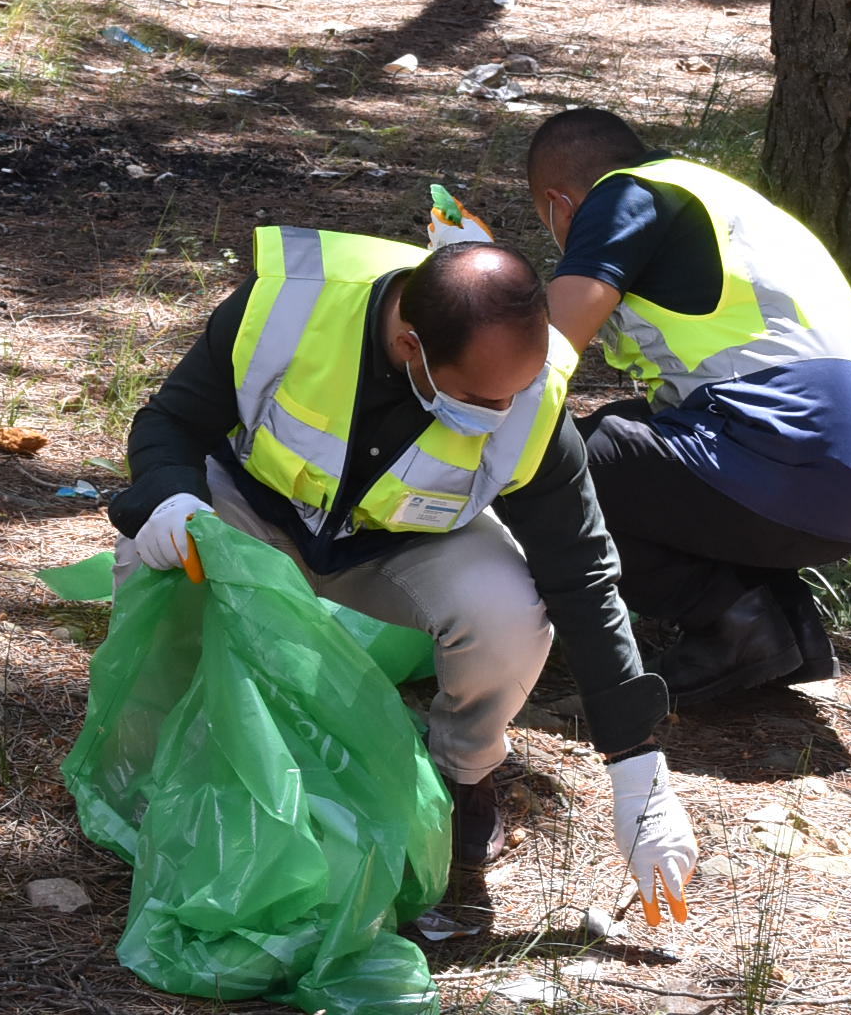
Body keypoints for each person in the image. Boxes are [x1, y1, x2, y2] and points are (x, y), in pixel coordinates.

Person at [111, 232, 700, 922]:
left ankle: (456, 781)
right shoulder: (288, 308)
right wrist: (170, 497)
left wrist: (636, 766)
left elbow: (582, 571)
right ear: (411, 348)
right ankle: (157, 767)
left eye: (514, 392)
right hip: (254, 515)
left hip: (401, 545)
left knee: (507, 614)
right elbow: (170, 422)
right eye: (481, 398)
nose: (502, 412)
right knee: (146, 554)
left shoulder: (529, 396)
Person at [521, 108, 851, 705]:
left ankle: (730, 626)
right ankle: (785, 624)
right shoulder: (718, 198)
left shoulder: (623, 194)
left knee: (564, 459)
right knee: (637, 436)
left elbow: (546, 350)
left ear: (559, 204)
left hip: (783, 464)